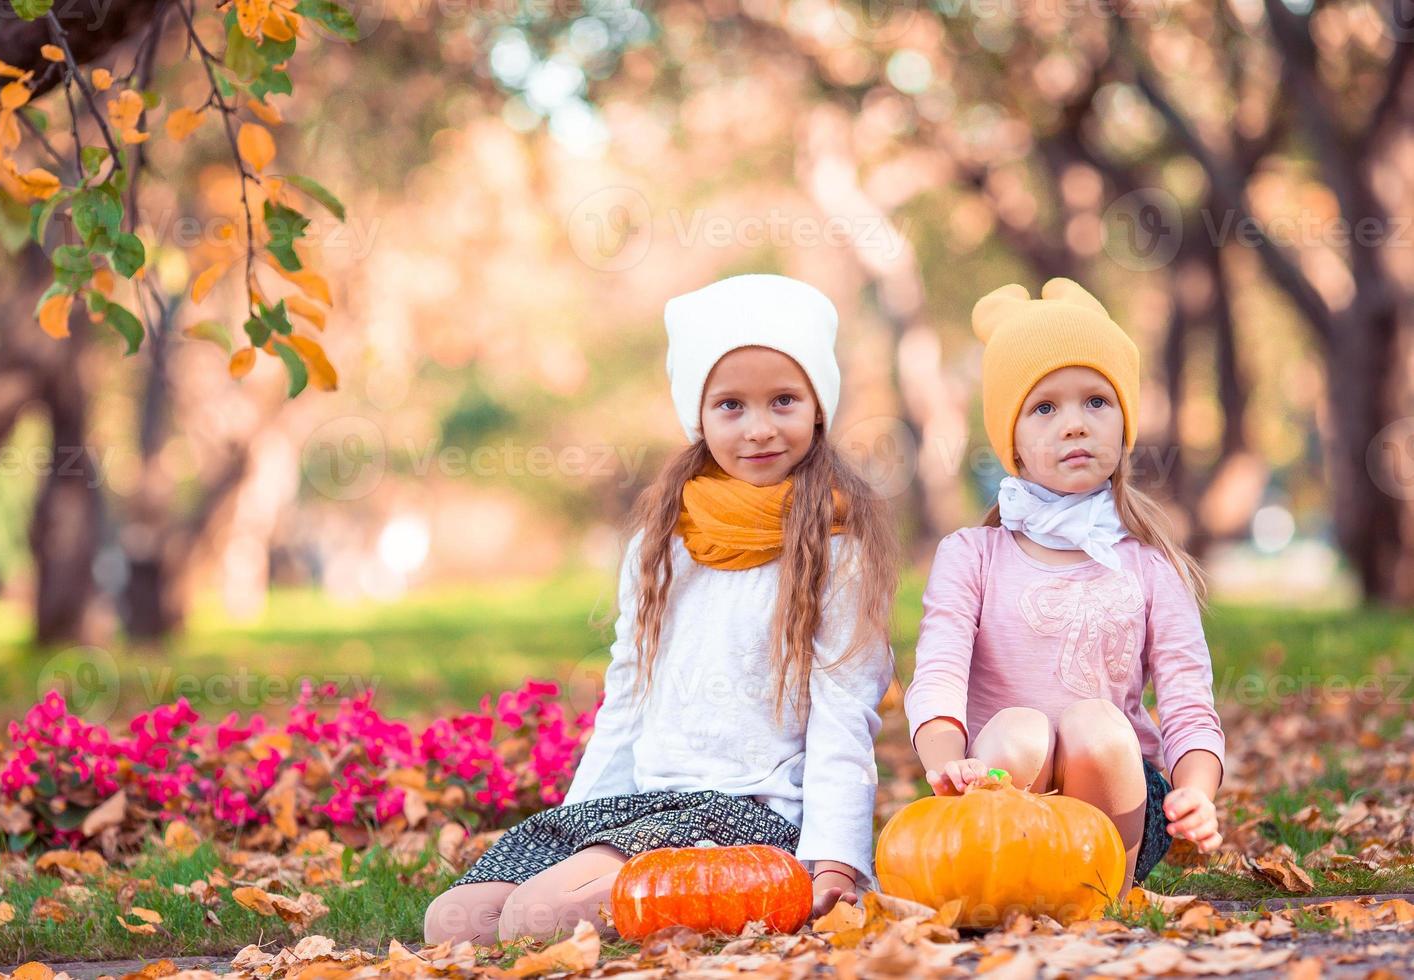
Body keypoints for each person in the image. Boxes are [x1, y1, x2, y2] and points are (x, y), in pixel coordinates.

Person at [424, 272, 899, 946]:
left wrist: (836, 860)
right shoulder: (663, 545)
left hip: (753, 821)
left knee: (535, 919)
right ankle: (585, 879)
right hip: (645, 808)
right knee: (452, 922)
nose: (760, 428)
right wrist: (579, 822)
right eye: (731, 406)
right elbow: (627, 702)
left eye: (784, 400)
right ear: (698, 417)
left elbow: (844, 715)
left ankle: (738, 904)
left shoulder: (834, 550)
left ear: (817, 407)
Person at [906, 278, 1226, 900]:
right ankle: (1006, 882)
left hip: (1119, 809)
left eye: (1096, 402)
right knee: (1021, 728)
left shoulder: (1150, 565)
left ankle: (1096, 893)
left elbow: (1189, 703)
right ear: (1013, 443)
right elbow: (938, 675)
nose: (1075, 424)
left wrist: (1196, 791)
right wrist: (947, 760)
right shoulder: (972, 556)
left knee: (1096, 725)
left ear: (1124, 422)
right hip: (999, 793)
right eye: (1045, 408)